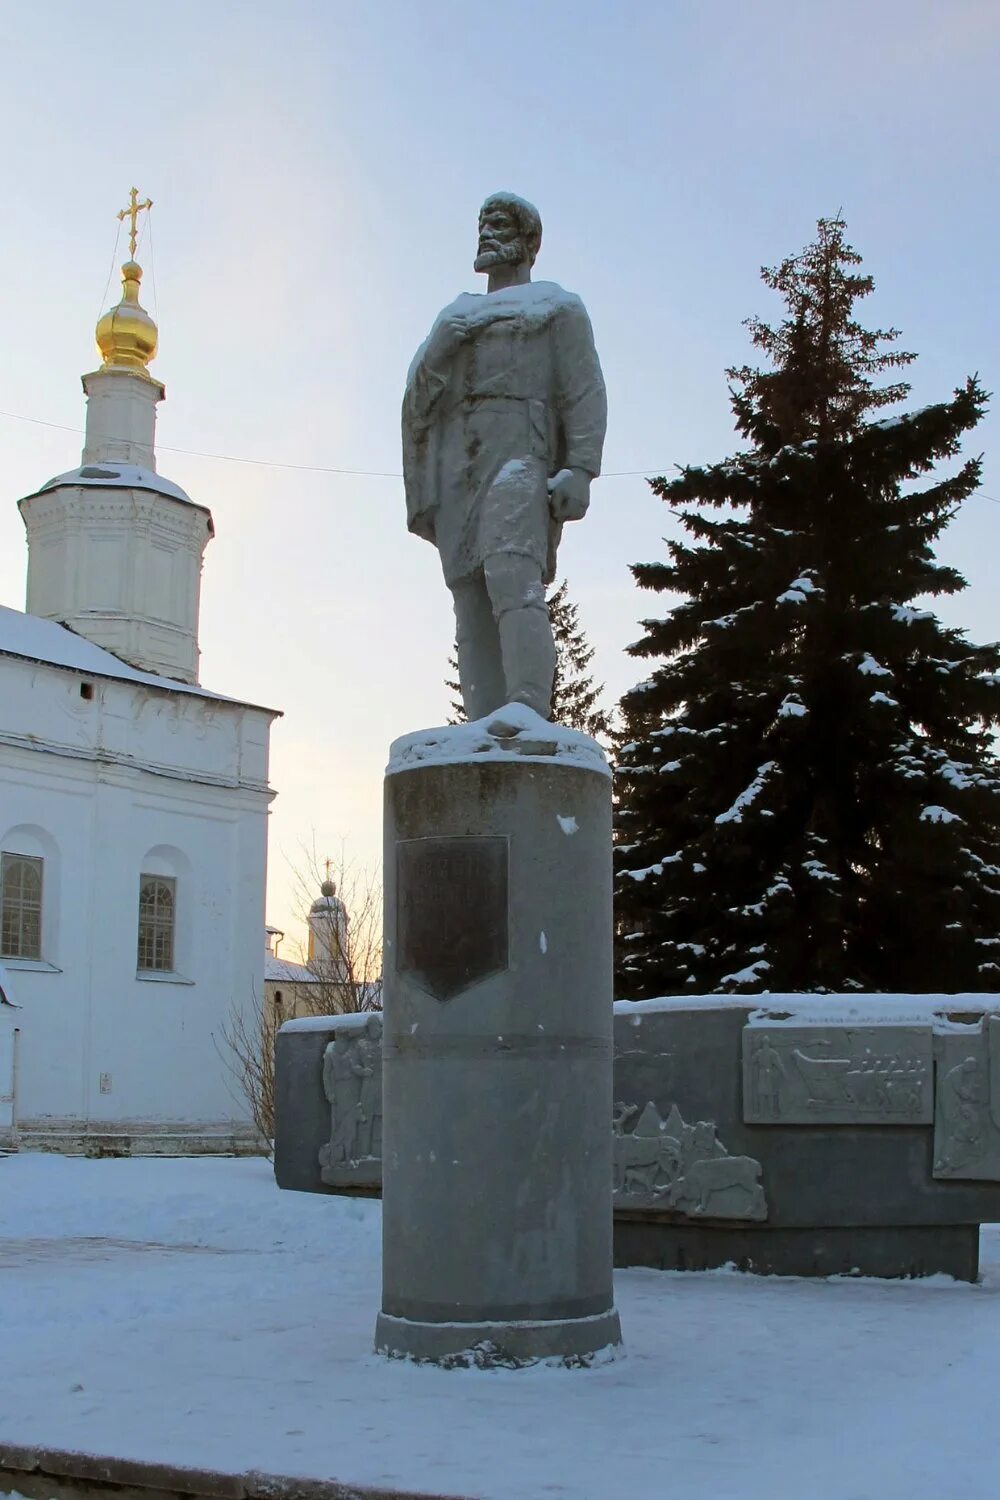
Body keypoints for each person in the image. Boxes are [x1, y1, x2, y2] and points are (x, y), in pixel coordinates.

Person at [402, 192, 606, 721]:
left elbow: (583, 390)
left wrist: (581, 469)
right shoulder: (455, 317)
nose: (488, 233)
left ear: (529, 241)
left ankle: (526, 707)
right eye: (483, 224)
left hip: (521, 454)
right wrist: (438, 351)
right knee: (469, 594)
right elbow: (418, 403)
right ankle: (482, 721)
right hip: (458, 465)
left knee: (512, 571)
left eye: (501, 224)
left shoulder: (556, 308)